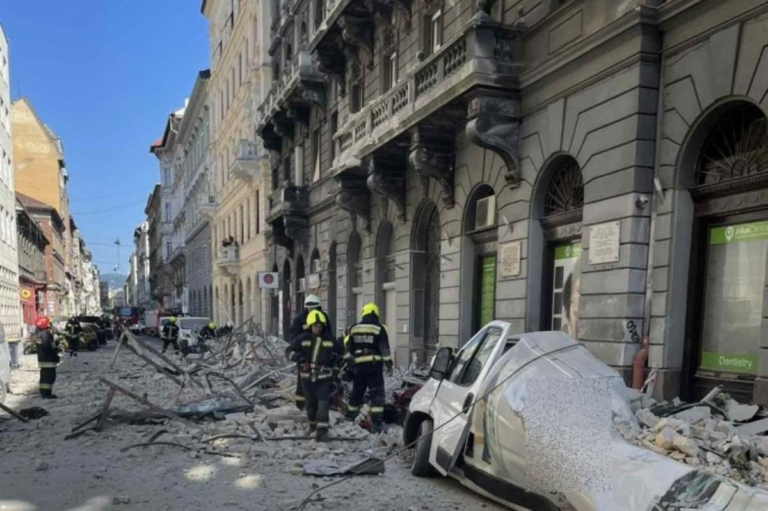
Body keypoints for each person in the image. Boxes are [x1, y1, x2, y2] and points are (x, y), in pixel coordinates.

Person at [291, 310, 341, 442]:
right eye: (315, 326)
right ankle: (313, 426)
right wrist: (299, 359)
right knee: (311, 406)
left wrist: (341, 365)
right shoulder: (302, 339)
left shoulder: (330, 340)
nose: (318, 329)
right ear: (310, 326)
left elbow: (343, 353)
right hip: (307, 379)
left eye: (320, 326)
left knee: (323, 406)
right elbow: (289, 351)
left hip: (323, 379)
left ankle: (322, 432)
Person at [343, 303, 393, 433]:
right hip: (374, 368)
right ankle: (376, 425)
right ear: (375, 314)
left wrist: (350, 367)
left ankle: (349, 418)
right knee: (377, 395)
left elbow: (348, 350)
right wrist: (389, 365)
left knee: (357, 393)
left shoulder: (354, 329)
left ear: (364, 313)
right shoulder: (379, 328)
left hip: (358, 368)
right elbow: (384, 350)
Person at [287, 294, 329, 411]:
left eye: (314, 308)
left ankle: (319, 403)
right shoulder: (299, 318)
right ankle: (301, 404)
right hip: (304, 353)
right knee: (303, 378)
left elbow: (328, 334)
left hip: (320, 352)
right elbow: (293, 337)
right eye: (310, 308)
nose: (312, 310)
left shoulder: (323, 317)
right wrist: (299, 351)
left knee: (321, 378)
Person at [34, 317, 60, 399]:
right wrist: (55, 355)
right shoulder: (45, 334)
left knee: (44, 376)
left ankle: (43, 392)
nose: (50, 325)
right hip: (48, 360)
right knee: (50, 377)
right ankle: (47, 394)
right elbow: (47, 348)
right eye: (48, 323)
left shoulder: (40, 334)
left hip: (43, 360)